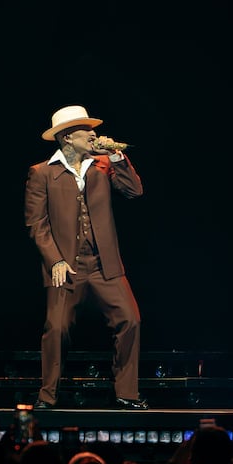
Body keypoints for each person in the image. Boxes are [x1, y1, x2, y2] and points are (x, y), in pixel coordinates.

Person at [24, 105, 148, 410]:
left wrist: (117, 156)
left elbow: (134, 191)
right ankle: (48, 395)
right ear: (67, 138)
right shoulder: (42, 173)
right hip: (67, 266)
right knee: (57, 329)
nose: (94, 134)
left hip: (104, 263)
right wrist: (54, 260)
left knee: (130, 320)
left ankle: (126, 393)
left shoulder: (104, 165)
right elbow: (36, 224)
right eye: (86, 130)